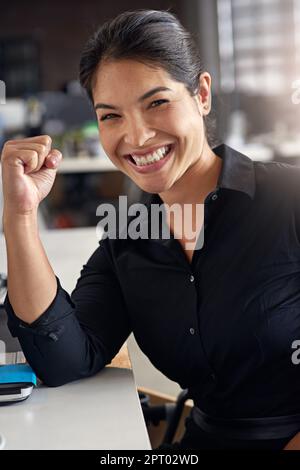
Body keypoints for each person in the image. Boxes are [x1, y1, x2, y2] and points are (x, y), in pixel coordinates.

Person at [1, 9, 300, 450]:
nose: (136, 137)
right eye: (111, 116)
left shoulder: (288, 198)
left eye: (156, 102)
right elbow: (63, 359)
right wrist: (20, 217)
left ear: (201, 94)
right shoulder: (130, 234)